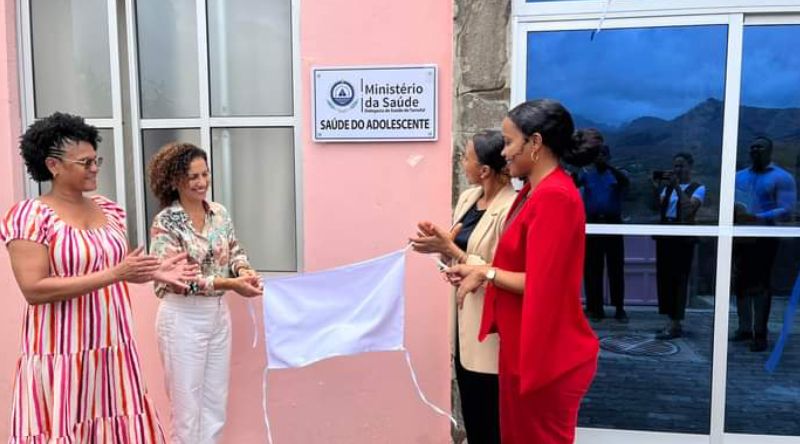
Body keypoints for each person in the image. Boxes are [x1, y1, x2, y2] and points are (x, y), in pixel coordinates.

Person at [0, 112, 196, 443]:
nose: (95, 168)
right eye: (85, 162)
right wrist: (114, 274)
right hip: (61, 352)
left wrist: (150, 271)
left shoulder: (109, 211)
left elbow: (116, 268)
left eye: (96, 159)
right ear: (53, 165)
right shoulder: (30, 216)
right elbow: (34, 289)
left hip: (111, 348)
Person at [447, 99, 599, 444]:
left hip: (546, 357)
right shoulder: (533, 192)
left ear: (535, 143)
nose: (504, 153)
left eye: (510, 142)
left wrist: (486, 274)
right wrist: (478, 269)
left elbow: (543, 285)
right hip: (522, 350)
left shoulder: (555, 197)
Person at [147, 142, 263, 444]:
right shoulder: (166, 222)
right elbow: (179, 280)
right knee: (187, 411)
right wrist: (228, 284)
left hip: (217, 316)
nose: (201, 183)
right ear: (174, 180)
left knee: (214, 405)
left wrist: (243, 272)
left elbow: (235, 250)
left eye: (204, 174)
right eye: (192, 177)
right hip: (182, 318)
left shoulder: (219, 213)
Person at [410, 130, 515, 444]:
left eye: (465, 156)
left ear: (484, 170)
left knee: (490, 414)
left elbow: (496, 267)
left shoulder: (511, 208)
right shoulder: (470, 198)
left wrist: (452, 250)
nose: (461, 161)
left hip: (491, 323)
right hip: (463, 318)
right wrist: (438, 246)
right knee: (471, 404)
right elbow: (459, 248)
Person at [732, 136, 796, 352]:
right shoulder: (737, 176)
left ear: (770, 150)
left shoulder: (782, 177)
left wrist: (757, 217)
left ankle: (760, 333)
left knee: (760, 285)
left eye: (759, 147)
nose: (754, 150)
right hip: (739, 235)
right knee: (739, 283)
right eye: (752, 146)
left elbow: (786, 210)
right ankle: (743, 328)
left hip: (764, 237)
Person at [652, 152, 705, 340]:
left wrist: (676, 187)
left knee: (679, 279)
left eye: (681, 166)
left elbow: (689, 209)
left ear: (690, 167)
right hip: (666, 237)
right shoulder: (666, 189)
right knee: (664, 279)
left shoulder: (698, 188)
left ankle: (676, 323)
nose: (677, 170)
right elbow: (659, 209)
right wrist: (658, 188)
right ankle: (670, 320)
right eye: (675, 166)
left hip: (683, 239)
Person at [575, 142, 629, 322]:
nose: (600, 158)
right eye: (597, 155)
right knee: (592, 268)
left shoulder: (616, 174)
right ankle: (595, 308)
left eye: (603, 154)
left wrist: (609, 166)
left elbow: (626, 183)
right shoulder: (587, 175)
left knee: (616, 268)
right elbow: (573, 181)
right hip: (593, 224)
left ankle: (620, 309)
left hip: (613, 224)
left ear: (609, 156)